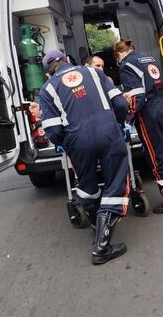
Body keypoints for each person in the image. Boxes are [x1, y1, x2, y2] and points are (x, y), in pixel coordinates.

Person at [37, 49, 131, 265]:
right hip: (108, 132)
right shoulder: (94, 73)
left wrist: (68, 143)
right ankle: (101, 247)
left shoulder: (47, 89)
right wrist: (116, 124)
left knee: (87, 183)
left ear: (48, 72)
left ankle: (94, 220)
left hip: (77, 140)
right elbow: (120, 104)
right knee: (116, 181)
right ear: (68, 59)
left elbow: (52, 130)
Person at [114, 39, 163, 214]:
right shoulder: (147, 59)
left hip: (149, 111)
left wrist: (127, 119)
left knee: (156, 156)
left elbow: (137, 96)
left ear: (119, 54)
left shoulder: (127, 65)